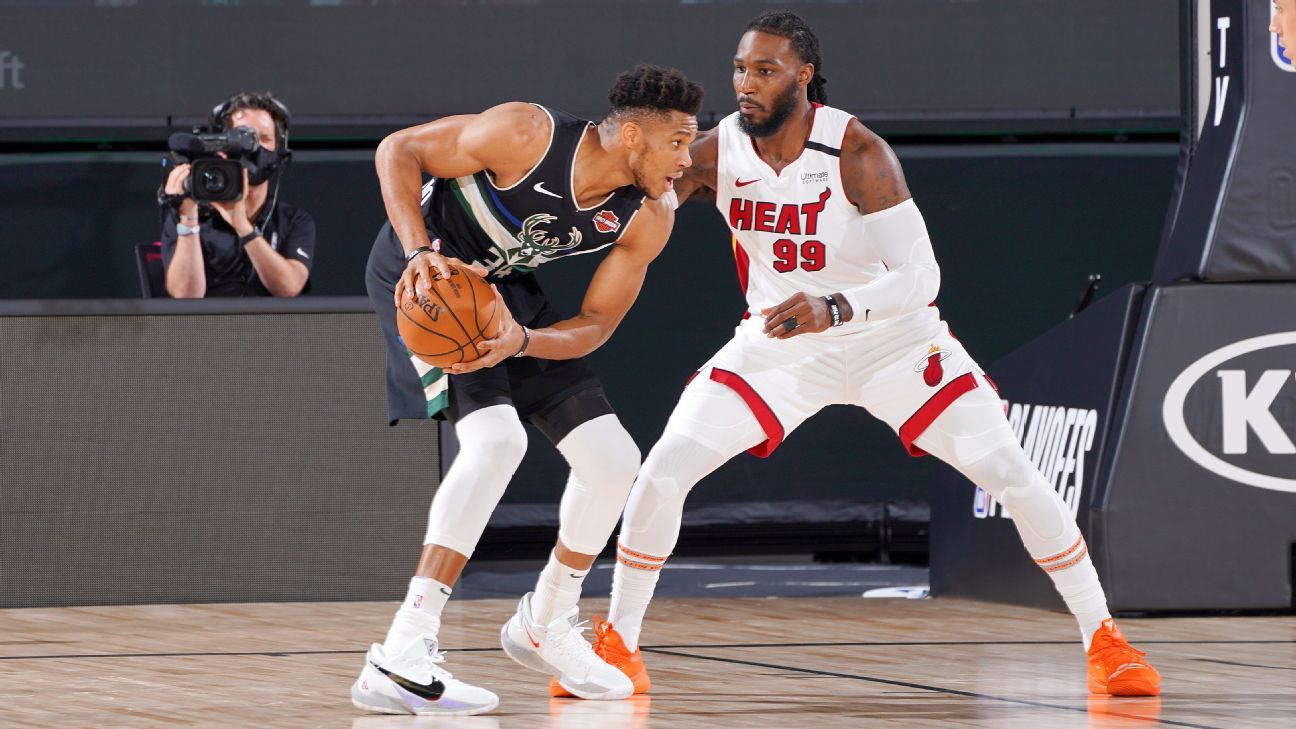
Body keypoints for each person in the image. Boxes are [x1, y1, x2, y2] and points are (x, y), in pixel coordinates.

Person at [592, 11, 1162, 699]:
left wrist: (835, 306)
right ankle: (618, 641)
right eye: (741, 68)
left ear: (802, 77)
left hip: (893, 340)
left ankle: (1105, 637)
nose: (746, 82)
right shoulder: (714, 152)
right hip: (780, 346)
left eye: (765, 70)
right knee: (663, 469)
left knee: (1010, 469)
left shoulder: (857, 151)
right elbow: (645, 207)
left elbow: (922, 277)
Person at [353, 65, 702, 716]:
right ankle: (403, 648)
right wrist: (417, 251)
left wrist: (524, 341)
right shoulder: (528, 135)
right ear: (631, 135)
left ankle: (548, 617)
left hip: (502, 298)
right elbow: (397, 150)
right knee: (495, 442)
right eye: (677, 143)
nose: (688, 159)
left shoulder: (648, 216)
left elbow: (596, 324)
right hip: (429, 279)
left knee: (614, 460)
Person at [159, 92, 314, 298]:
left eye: (264, 138)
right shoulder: (187, 213)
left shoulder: (294, 220)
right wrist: (188, 219)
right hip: (206, 328)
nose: (253, 148)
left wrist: (244, 227)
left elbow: (289, 288)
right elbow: (185, 297)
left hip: (270, 329)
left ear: (280, 153)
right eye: (242, 137)